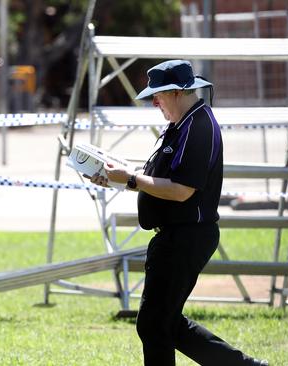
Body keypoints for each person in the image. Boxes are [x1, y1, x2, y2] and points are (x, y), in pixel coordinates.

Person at [89, 60, 268, 366]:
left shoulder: (198, 126)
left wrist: (130, 179)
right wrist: (120, 176)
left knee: (155, 324)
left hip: (187, 237)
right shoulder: (183, 123)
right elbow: (162, 179)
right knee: (163, 323)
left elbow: (182, 190)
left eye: (158, 95)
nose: (154, 102)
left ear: (176, 92)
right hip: (175, 236)